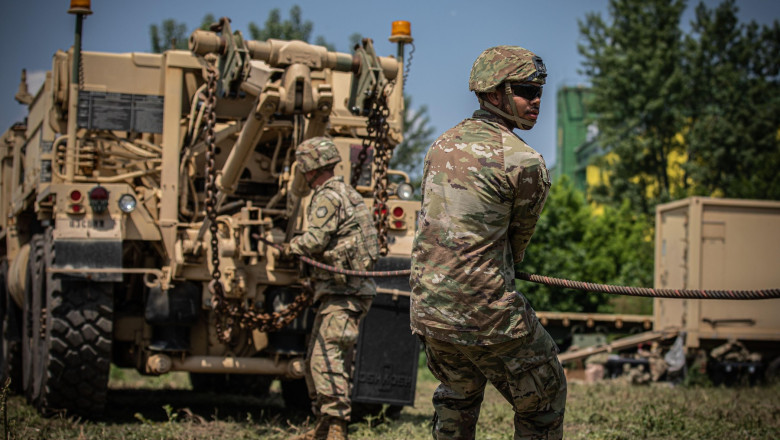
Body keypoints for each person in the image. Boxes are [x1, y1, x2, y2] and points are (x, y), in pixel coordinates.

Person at [409, 46, 567, 439]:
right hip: (486, 314)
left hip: (430, 311)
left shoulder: (440, 146)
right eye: (526, 91)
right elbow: (517, 244)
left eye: (539, 91)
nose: (536, 100)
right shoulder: (524, 162)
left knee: (457, 397)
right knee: (545, 398)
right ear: (493, 94)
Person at [285, 136, 380, 440]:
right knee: (316, 358)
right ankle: (324, 426)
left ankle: (337, 427)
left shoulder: (328, 196)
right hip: (341, 292)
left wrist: (290, 246)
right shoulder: (346, 192)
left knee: (326, 358)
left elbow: (314, 240)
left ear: (310, 167)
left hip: (345, 294)